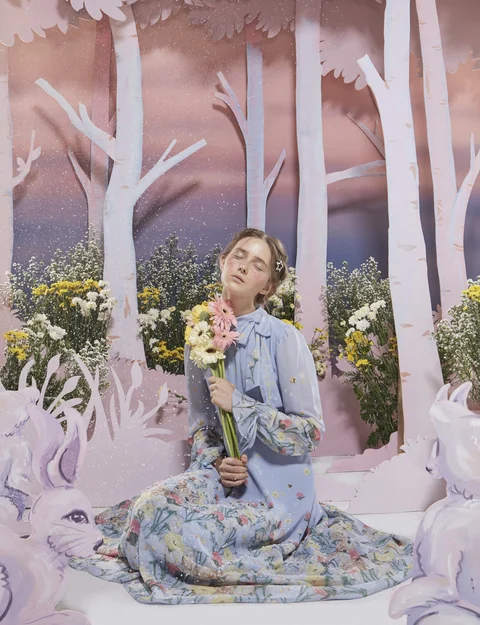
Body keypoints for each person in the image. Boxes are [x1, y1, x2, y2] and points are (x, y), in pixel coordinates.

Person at [70, 228, 412, 605]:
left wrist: (242, 405)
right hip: (221, 478)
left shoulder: (284, 339)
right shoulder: (200, 335)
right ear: (223, 261)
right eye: (239, 256)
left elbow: (309, 433)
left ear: (268, 286)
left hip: (277, 494)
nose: (245, 266)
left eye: (259, 265)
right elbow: (202, 424)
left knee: (176, 534)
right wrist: (217, 463)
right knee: (149, 508)